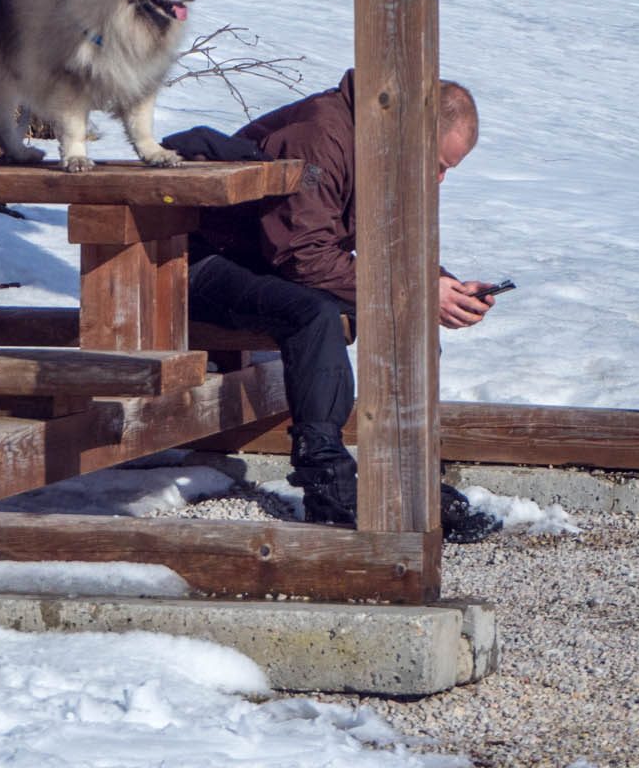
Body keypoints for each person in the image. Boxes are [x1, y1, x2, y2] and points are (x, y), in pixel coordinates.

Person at [170, 70, 503, 541]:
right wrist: (416, 290)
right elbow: (304, 257)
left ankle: (407, 475)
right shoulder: (321, 136)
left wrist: (442, 286)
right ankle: (325, 483)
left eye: (448, 169)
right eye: (438, 164)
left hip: (263, 261)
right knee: (317, 314)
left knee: (405, 309)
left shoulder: (383, 147)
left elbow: (394, 252)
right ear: (411, 132)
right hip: (192, 264)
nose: (441, 179)